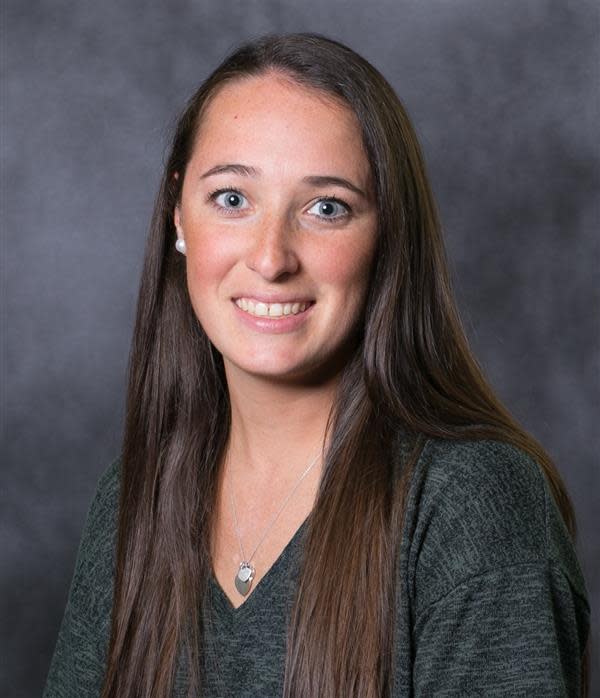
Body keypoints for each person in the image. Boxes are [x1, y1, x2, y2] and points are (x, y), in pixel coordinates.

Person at [43, 32, 590, 697]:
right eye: (232, 199)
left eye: (326, 208)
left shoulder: (472, 503)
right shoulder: (135, 498)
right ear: (177, 213)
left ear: (387, 235)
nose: (272, 258)